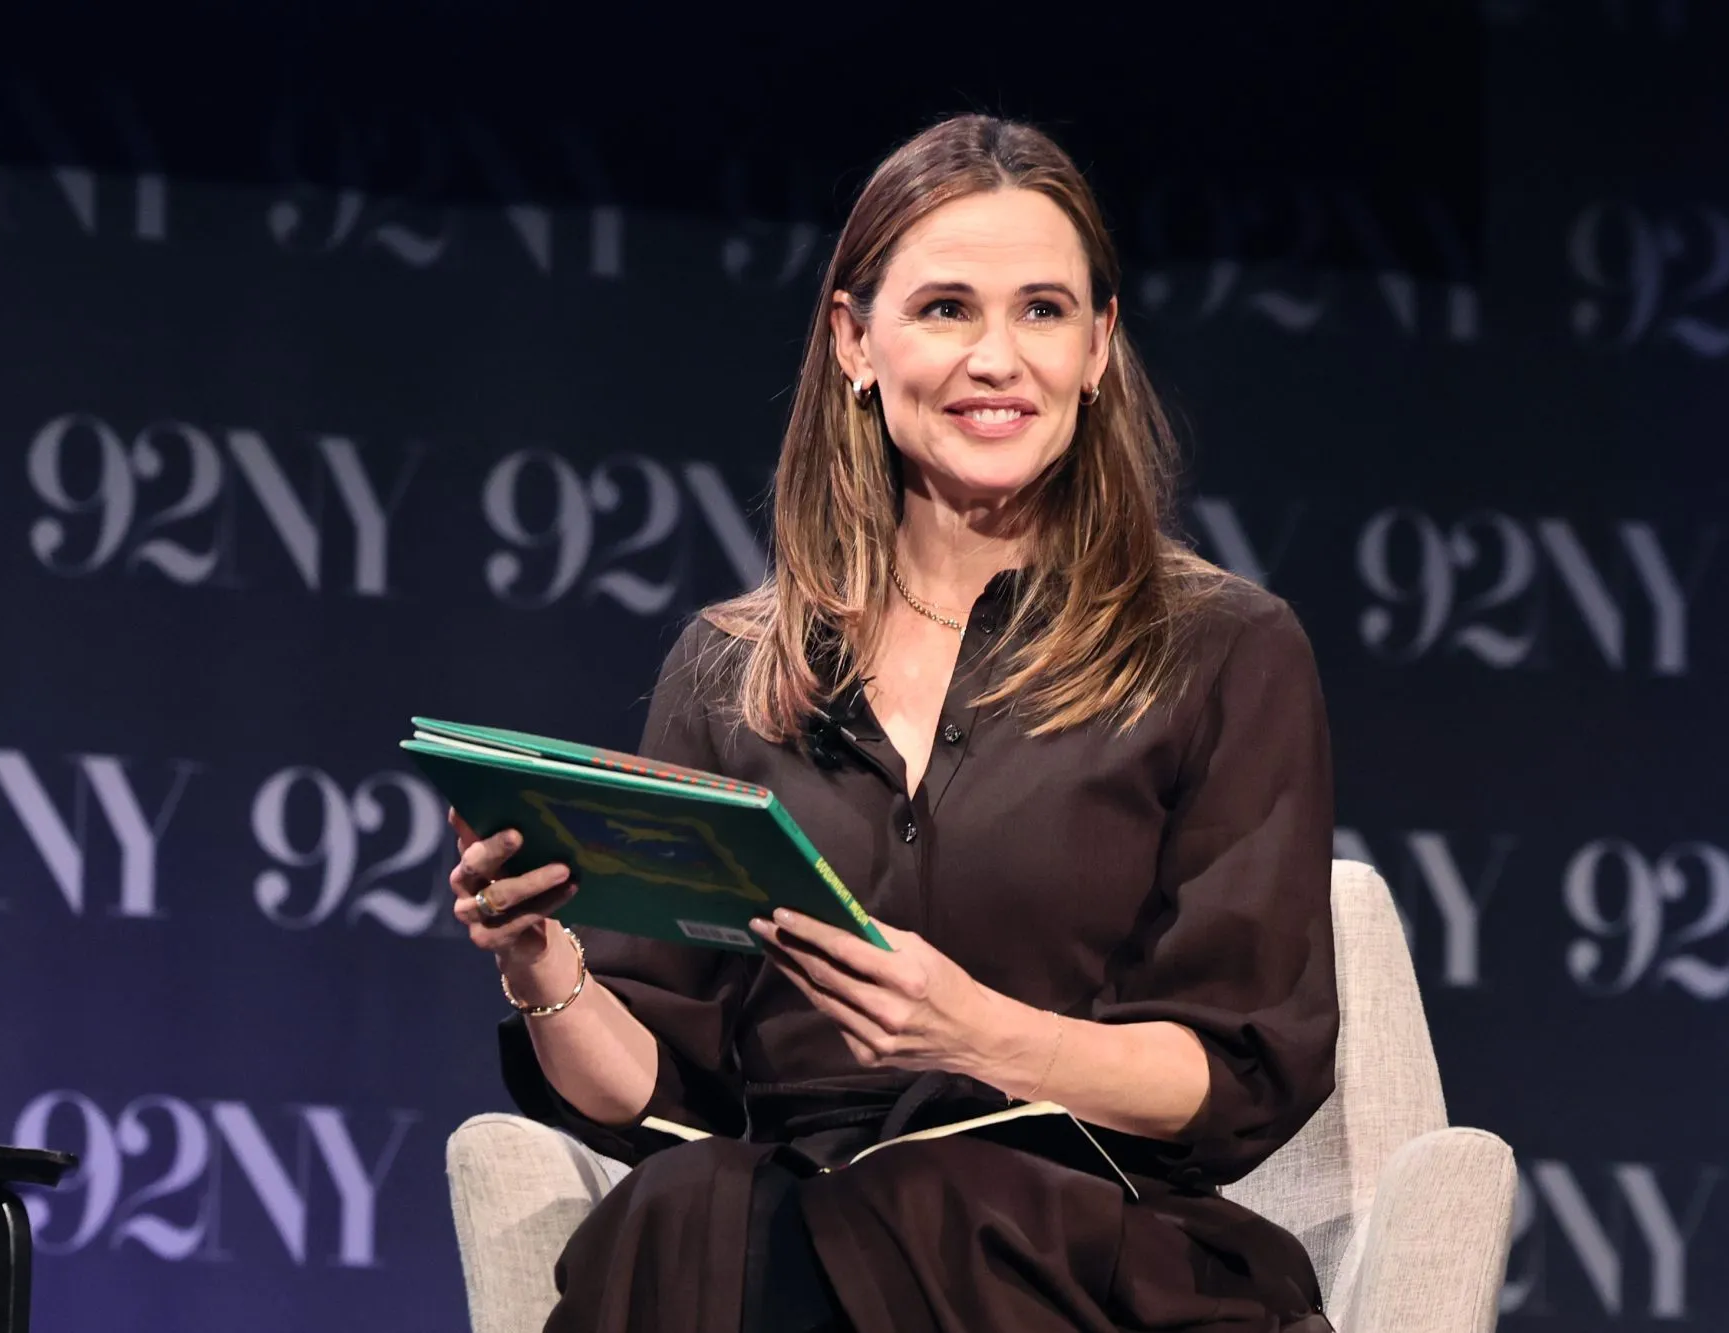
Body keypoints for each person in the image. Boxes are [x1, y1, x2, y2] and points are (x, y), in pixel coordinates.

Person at [446, 113, 1339, 1333]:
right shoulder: (730, 670)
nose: (996, 357)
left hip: (1065, 1245)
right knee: (684, 1209)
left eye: (1041, 309)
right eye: (944, 309)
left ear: (1097, 347)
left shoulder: (1220, 650)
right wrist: (540, 961)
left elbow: (1236, 1072)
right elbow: (657, 1089)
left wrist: (974, 1030)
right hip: (768, 1227)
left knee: (907, 1202)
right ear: (853, 341)